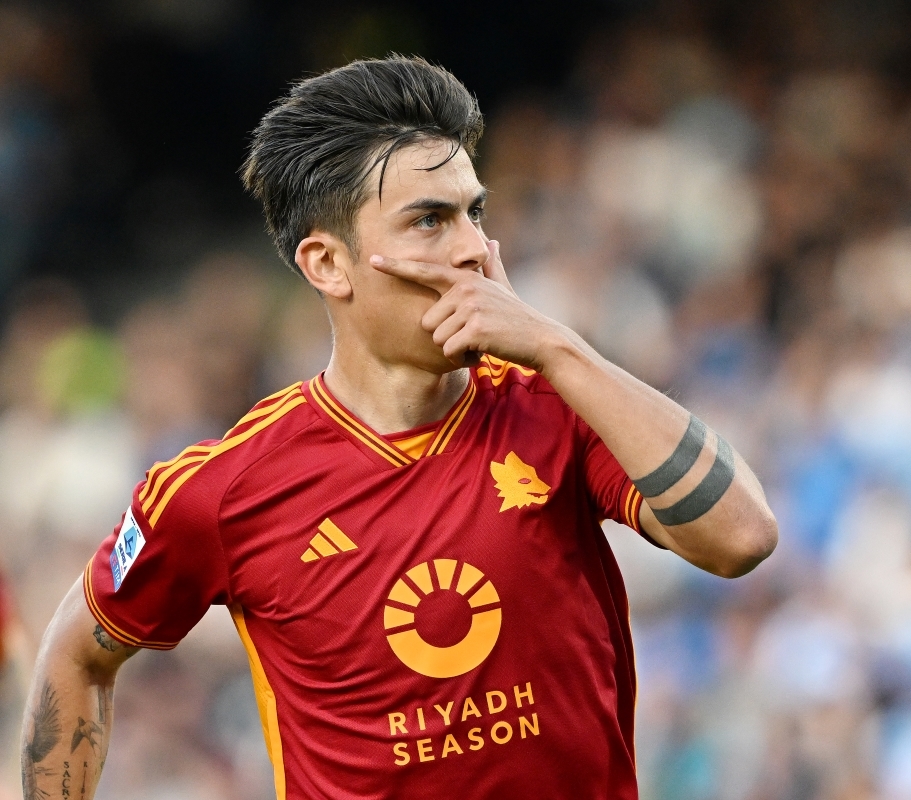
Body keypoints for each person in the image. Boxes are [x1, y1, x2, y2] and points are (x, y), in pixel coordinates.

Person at [19, 55, 777, 800]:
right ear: (328, 264)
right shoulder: (223, 488)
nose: (472, 247)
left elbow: (742, 538)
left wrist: (556, 345)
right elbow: (77, 655)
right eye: (429, 221)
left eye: (475, 213)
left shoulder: (558, 399)